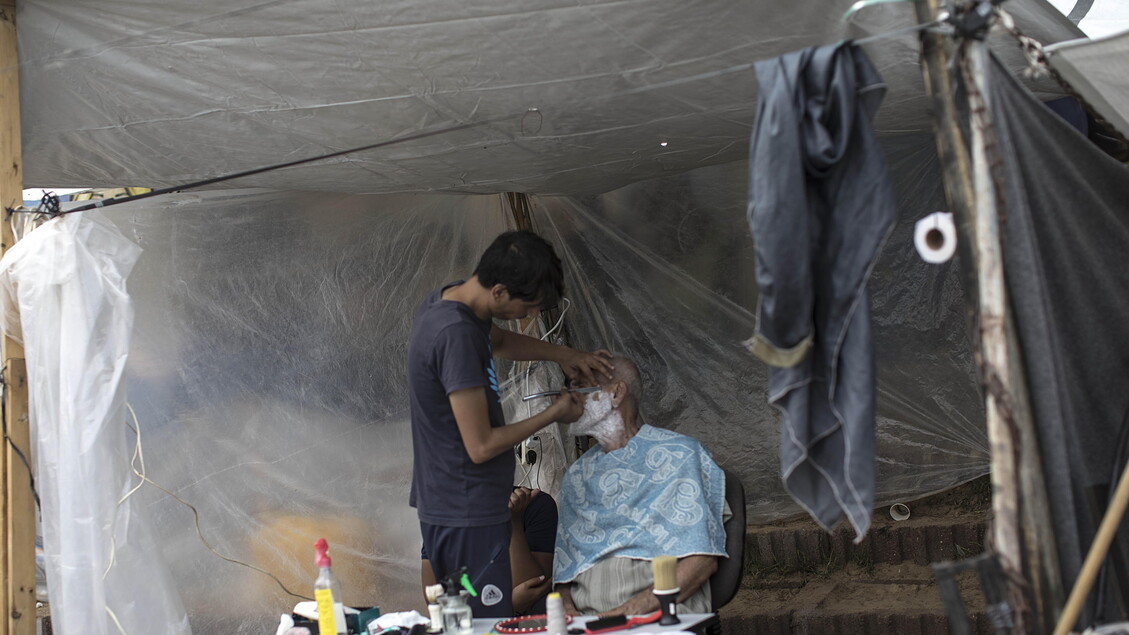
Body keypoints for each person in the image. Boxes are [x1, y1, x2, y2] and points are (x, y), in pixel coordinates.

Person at [407, 230, 612, 618]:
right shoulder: (457, 336)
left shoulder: (454, 302)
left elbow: (498, 341)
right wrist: (553, 413)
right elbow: (481, 445)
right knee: (482, 620)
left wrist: (564, 355)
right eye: (528, 305)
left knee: (482, 616)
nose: (530, 316)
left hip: (461, 497)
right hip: (464, 506)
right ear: (499, 291)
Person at [553, 356, 729, 617]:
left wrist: (624, 614)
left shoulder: (680, 454)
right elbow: (564, 569)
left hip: (660, 612)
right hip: (585, 621)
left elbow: (701, 560)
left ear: (616, 393)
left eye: (580, 388)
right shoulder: (577, 475)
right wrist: (567, 611)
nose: (570, 399)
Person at [422, 487, 558, 614]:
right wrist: (507, 605)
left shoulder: (533, 504)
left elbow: (532, 593)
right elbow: (436, 604)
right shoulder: (441, 517)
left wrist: (512, 522)